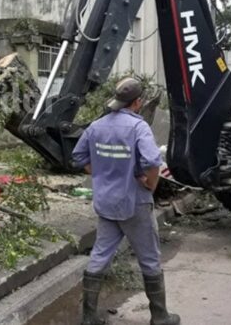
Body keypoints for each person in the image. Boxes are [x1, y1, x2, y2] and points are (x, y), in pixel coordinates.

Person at [72, 77, 180, 325]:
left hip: (106, 203)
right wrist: (151, 185)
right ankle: (160, 316)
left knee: (99, 256)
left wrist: (98, 172)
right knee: (150, 258)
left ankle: (89, 317)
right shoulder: (138, 127)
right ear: (138, 102)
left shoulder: (97, 126)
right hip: (135, 204)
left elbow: (78, 156)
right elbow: (153, 162)